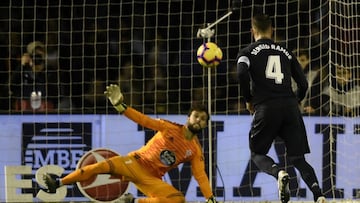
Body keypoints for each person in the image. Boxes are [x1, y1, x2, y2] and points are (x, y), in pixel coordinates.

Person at [43, 84, 217, 203]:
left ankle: (133, 201)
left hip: (151, 178)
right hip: (135, 162)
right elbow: (143, 120)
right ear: (189, 117)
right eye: (196, 116)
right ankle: (57, 183)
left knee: (178, 200)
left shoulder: (194, 150)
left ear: (205, 124)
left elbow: (200, 176)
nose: (198, 120)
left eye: (203, 119)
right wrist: (121, 106)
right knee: (99, 167)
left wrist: (210, 198)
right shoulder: (169, 127)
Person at [236, 14, 326, 203]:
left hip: (266, 107)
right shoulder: (285, 51)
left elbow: (242, 72)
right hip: (290, 107)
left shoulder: (247, 52)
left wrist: (248, 99)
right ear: (272, 30)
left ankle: (278, 173)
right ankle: (319, 195)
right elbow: (303, 83)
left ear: (253, 31)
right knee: (298, 158)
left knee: (257, 153)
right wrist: (297, 101)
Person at [10, 41, 59, 112]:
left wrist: (41, 73)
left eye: (40, 55)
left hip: (44, 108)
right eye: (35, 55)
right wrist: (22, 66)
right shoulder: (22, 70)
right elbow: (12, 87)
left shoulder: (49, 71)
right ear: (29, 56)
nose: (37, 58)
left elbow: (55, 94)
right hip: (25, 107)